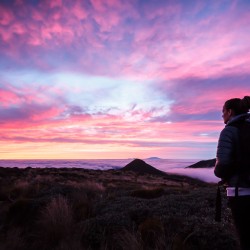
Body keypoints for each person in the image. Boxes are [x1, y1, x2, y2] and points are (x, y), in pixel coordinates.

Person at [214, 96, 250, 250]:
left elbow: (223, 167)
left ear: (230, 111)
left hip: (240, 194)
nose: (222, 115)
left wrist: (217, 169)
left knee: (245, 238)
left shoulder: (229, 131)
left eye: (223, 111)